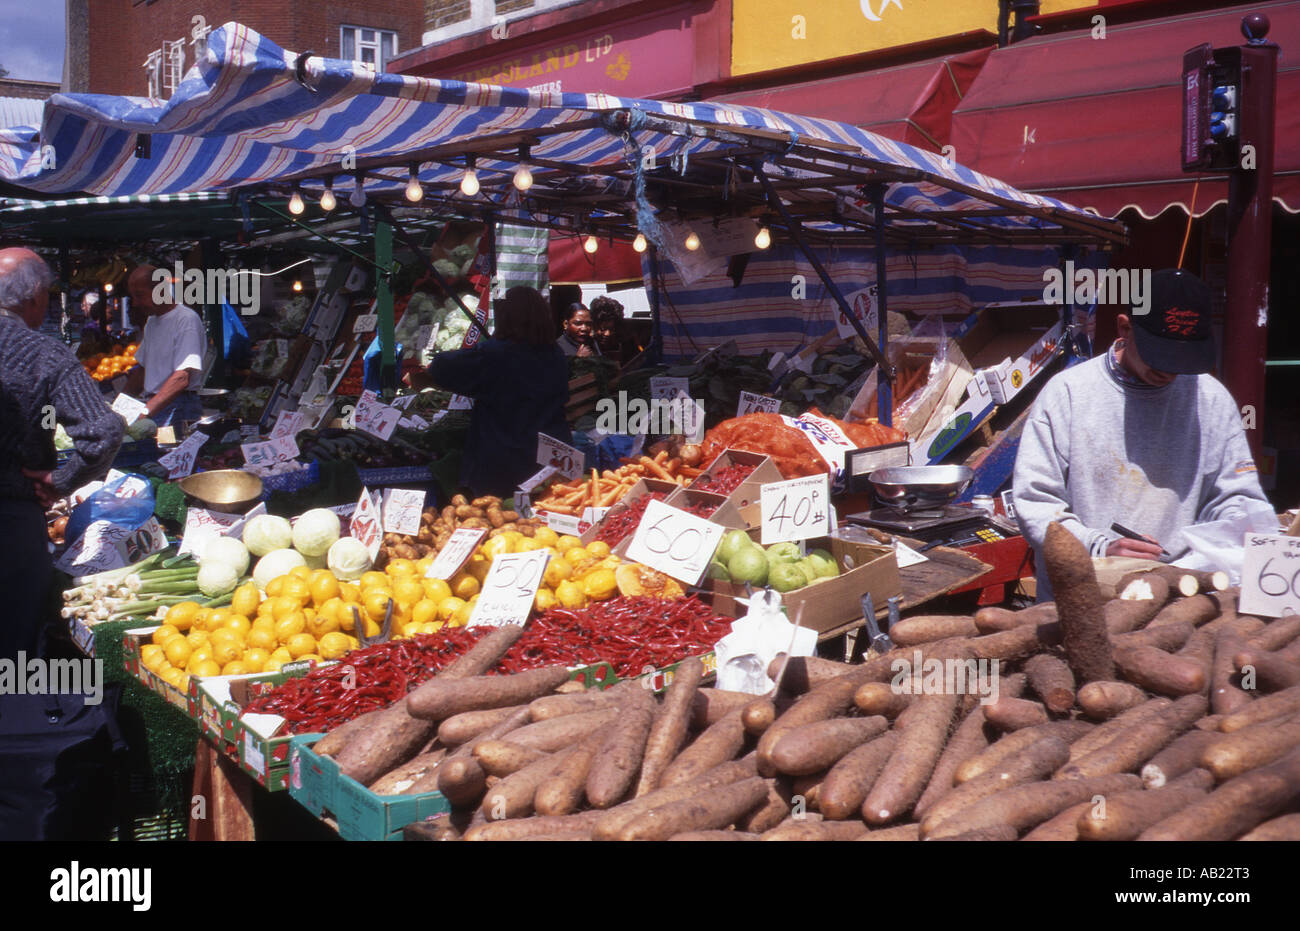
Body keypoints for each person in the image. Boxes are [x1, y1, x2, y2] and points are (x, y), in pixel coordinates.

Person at [1012, 268, 1269, 598]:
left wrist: (1229, 534)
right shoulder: (1068, 394)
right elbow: (1036, 504)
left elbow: (1238, 496)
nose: (1170, 372)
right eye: (1160, 356)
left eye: (1183, 360)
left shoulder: (1211, 399)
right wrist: (1100, 547)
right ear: (1125, 327)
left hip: (1181, 594)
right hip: (1084, 595)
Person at [0, 248, 123, 659]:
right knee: (14, 647)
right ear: (35, 296)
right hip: (12, 524)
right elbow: (103, 433)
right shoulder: (44, 355)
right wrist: (61, 482)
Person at [405, 287, 572, 497]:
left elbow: (441, 367)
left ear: (506, 318)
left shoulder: (495, 354)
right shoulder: (555, 354)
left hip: (506, 462)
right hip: (552, 457)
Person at [123, 264, 208, 428]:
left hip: (179, 407)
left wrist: (145, 412)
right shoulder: (151, 322)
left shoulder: (186, 319)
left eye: (139, 295)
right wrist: (118, 406)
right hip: (157, 404)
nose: (135, 303)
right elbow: (143, 370)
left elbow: (182, 378)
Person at [590, 296, 626, 362]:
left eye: (612, 329)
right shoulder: (587, 348)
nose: (607, 334)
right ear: (593, 325)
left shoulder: (620, 346)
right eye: (603, 329)